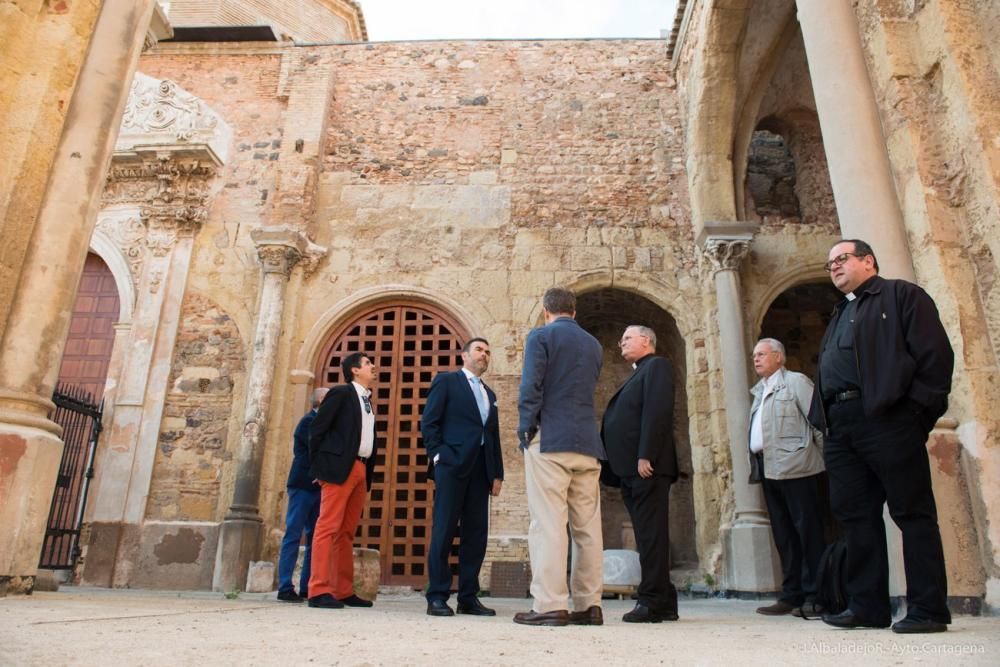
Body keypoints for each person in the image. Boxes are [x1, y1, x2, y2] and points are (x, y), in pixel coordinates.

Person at [809, 239, 954, 634]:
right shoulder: (843, 309)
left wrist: (914, 414)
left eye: (842, 258)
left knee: (912, 512)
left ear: (868, 261)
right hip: (842, 426)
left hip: (888, 419)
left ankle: (928, 609)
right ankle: (867, 607)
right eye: (830, 263)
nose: (834, 267)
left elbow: (935, 358)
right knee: (855, 516)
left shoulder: (902, 295)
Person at [514, 287, 604, 627]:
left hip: (550, 437)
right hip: (587, 443)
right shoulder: (593, 344)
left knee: (549, 524)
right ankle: (589, 604)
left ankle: (550, 604)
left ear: (545, 310)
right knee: (588, 528)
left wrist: (525, 427)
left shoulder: (541, 337)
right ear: (574, 312)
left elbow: (531, 386)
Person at [601, 325, 680, 623]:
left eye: (627, 338)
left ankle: (651, 602)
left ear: (646, 340)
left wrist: (646, 454)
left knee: (650, 536)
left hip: (646, 467)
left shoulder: (656, 366)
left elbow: (657, 411)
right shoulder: (640, 371)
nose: (621, 342)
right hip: (633, 470)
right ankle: (666, 601)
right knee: (649, 536)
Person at [422, 337, 504, 617]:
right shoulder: (447, 382)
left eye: (488, 351)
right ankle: (437, 595)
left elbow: (492, 435)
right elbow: (429, 422)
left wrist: (497, 473)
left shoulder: (490, 394)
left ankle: (469, 597)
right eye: (480, 350)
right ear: (465, 356)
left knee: (476, 534)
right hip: (452, 466)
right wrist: (438, 456)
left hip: (481, 471)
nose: (485, 355)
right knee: (444, 530)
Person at [747, 338, 826, 617]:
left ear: (779, 357)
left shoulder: (796, 382)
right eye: (754, 355)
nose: (756, 359)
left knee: (809, 533)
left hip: (799, 468)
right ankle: (792, 594)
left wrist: (827, 460)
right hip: (770, 470)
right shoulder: (759, 391)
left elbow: (817, 422)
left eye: (762, 354)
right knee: (784, 535)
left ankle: (818, 595)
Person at [306, 352, 379, 610]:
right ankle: (318, 590)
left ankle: (342, 590)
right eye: (368, 363)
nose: (373, 366)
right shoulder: (340, 393)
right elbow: (317, 430)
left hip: (361, 468)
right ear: (355, 370)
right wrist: (319, 467)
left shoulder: (368, 401)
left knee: (346, 532)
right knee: (327, 528)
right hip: (339, 469)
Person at [276, 387, 328, 602]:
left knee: (315, 537)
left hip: (317, 487)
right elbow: (309, 451)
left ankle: (308, 586)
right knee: (294, 533)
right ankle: (285, 586)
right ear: (320, 401)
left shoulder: (322, 423)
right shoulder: (308, 422)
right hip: (302, 485)